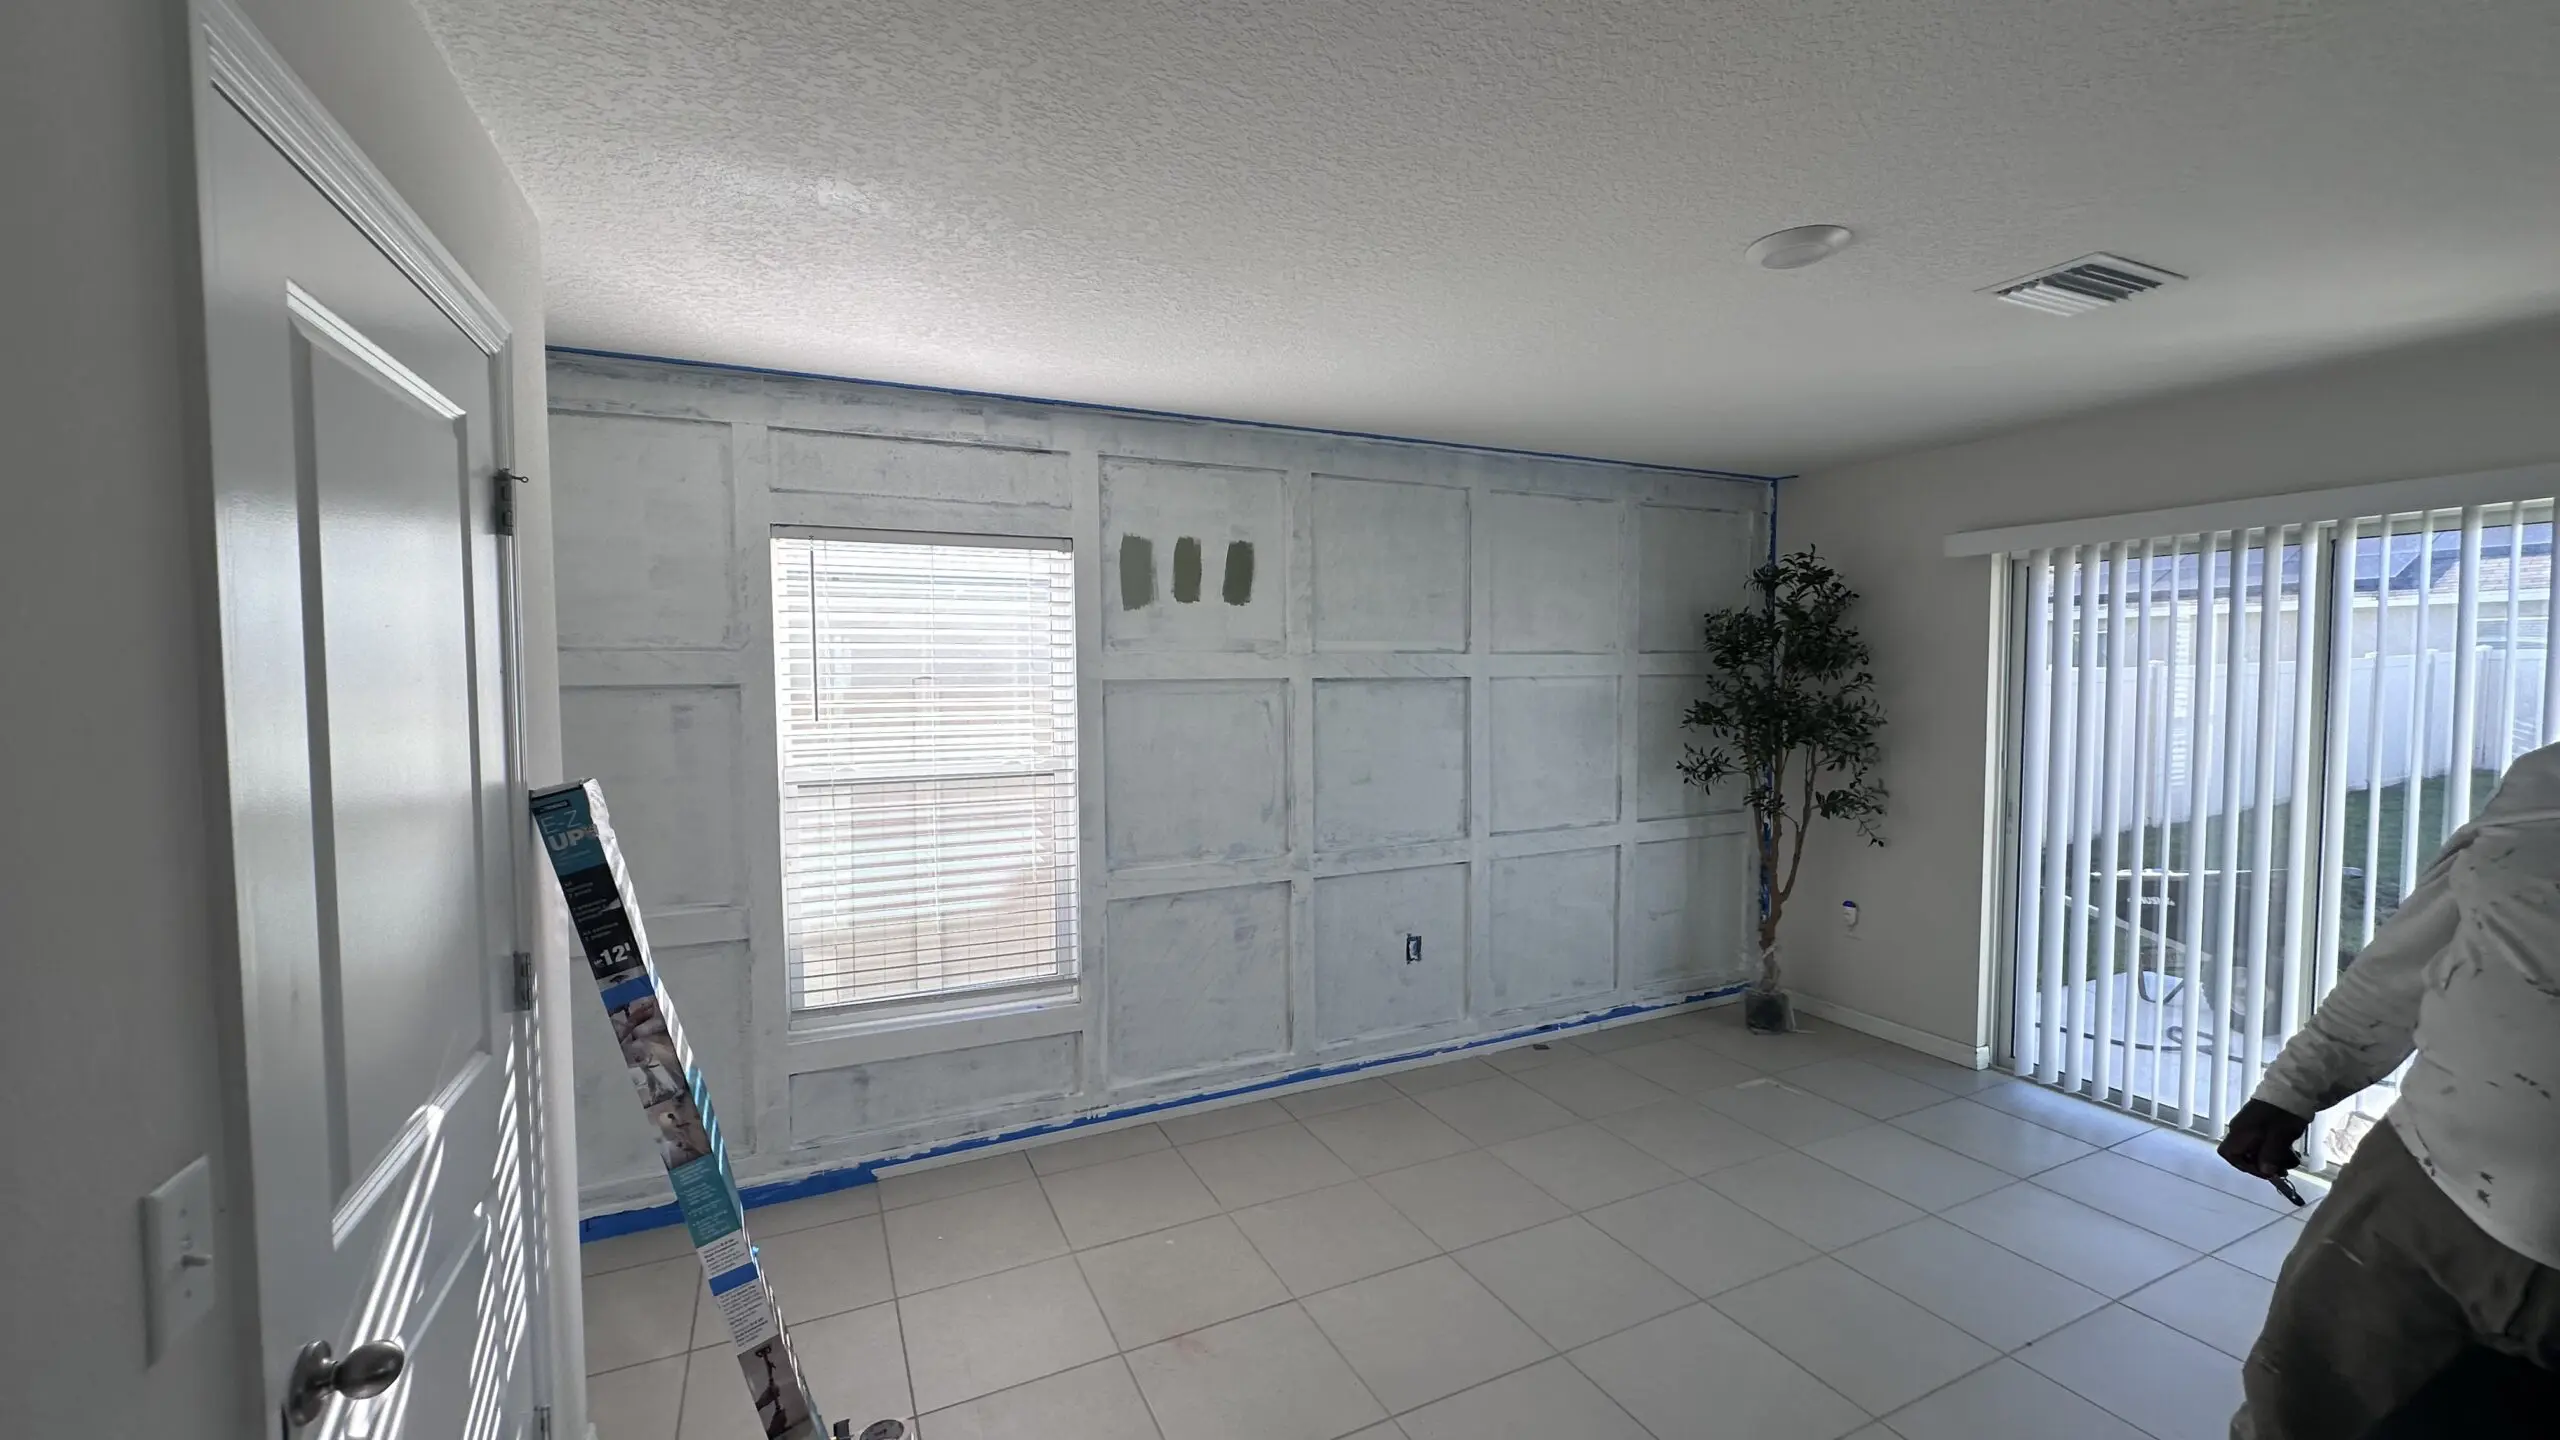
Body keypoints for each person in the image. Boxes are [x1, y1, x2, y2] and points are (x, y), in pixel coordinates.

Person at [2220, 743, 2560, 1438]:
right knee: (2296, 1408)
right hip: (2419, 1185)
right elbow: (2408, 958)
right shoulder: (2543, 783)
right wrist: (2292, 1088)